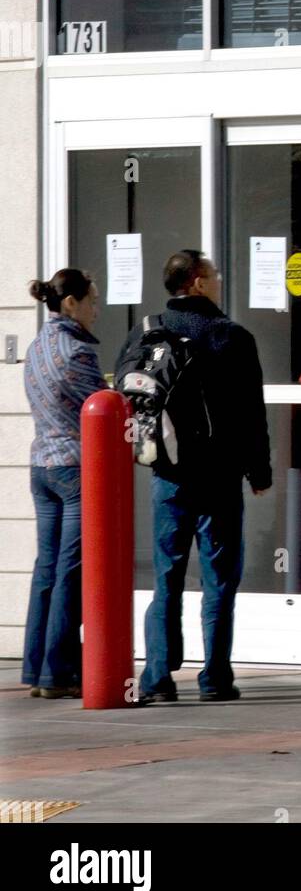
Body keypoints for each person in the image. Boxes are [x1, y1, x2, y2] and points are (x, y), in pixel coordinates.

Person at [116, 250, 271, 704]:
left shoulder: (145, 332)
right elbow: (251, 415)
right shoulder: (231, 336)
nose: (220, 281)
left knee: (167, 574)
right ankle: (215, 677)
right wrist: (258, 471)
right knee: (220, 577)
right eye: (215, 275)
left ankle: (158, 677)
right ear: (199, 282)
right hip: (220, 476)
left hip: (167, 472)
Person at [22, 269, 105, 699]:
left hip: (41, 466)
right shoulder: (76, 352)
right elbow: (105, 406)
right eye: (91, 299)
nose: (97, 307)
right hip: (75, 468)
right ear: (70, 303)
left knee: (46, 569)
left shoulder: (36, 347)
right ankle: (59, 673)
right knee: (71, 571)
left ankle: (36, 670)